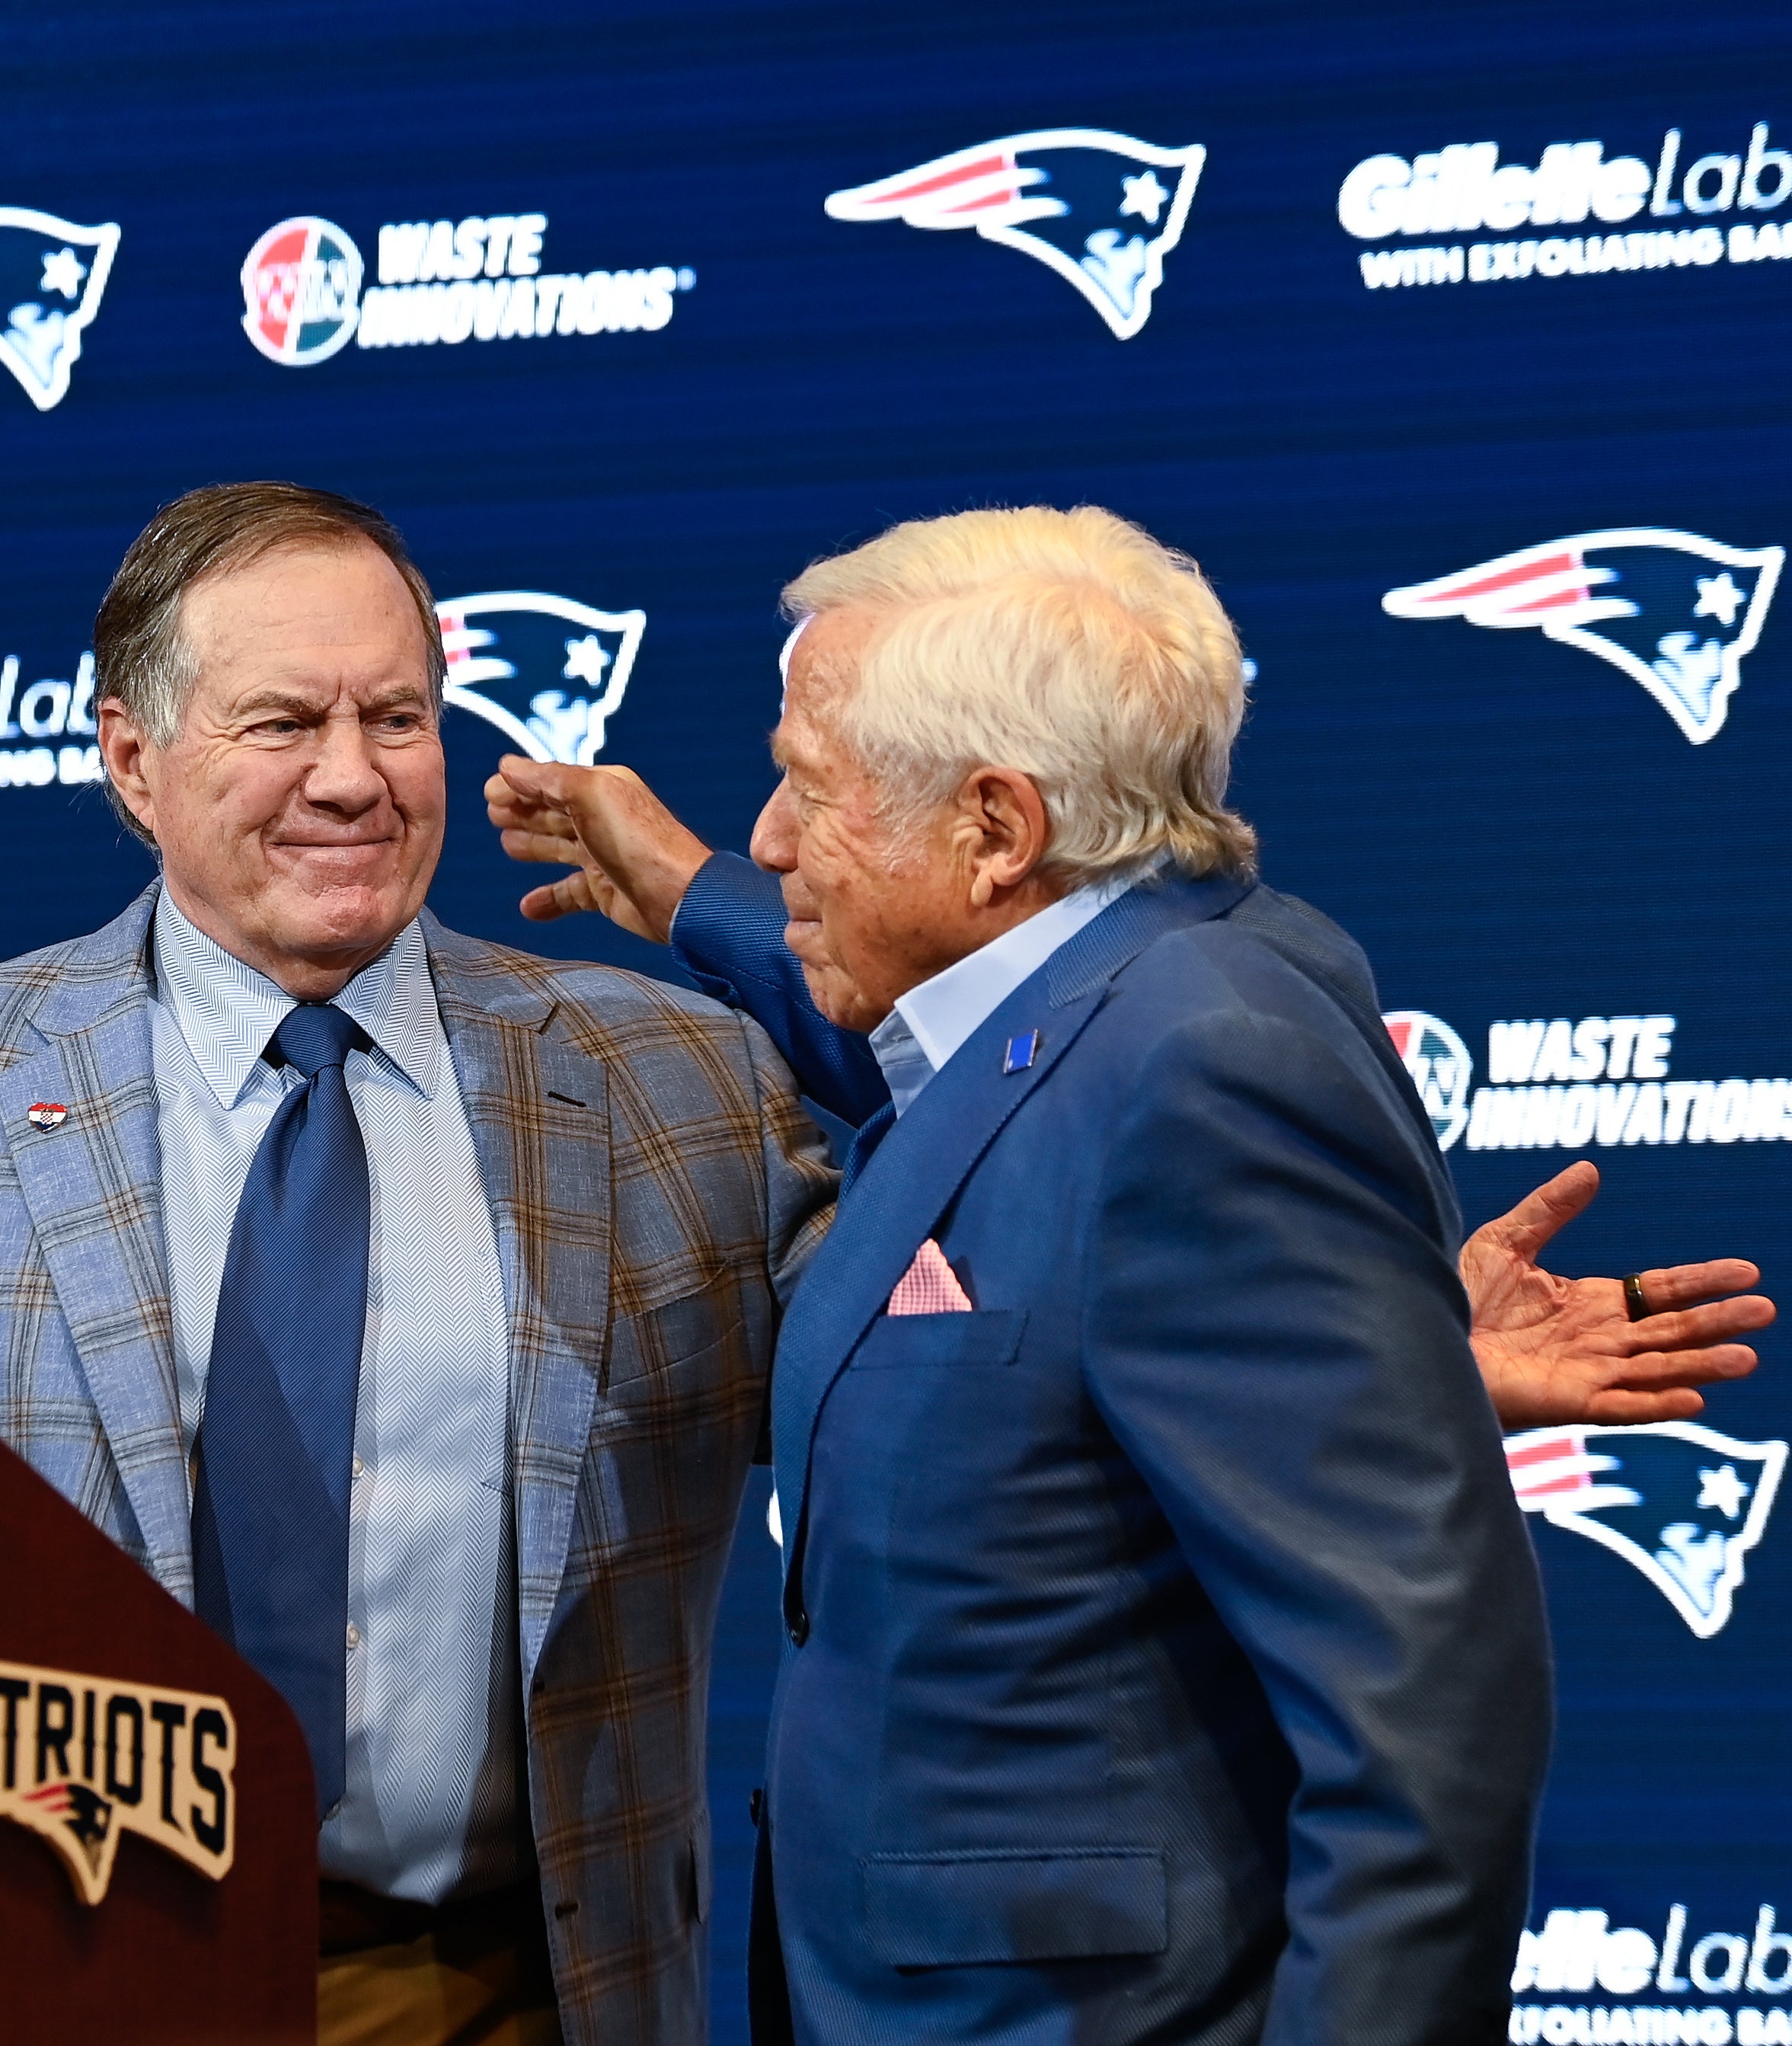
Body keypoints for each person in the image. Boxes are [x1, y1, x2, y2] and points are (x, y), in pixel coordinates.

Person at [0, 483, 1765, 2046]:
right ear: (126, 759)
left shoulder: (665, 1092)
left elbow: (973, 1259)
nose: (351, 770)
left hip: (512, 1991)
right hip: (34, 1980)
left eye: (398, 713)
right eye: (279, 719)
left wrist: (1371, 1366)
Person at [481, 504, 1591, 2043]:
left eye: (806, 786)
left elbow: (1423, 1706)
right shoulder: (1131, 976)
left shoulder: (1202, 1065)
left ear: (995, 830)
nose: (776, 836)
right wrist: (683, 889)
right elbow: (946, 1077)